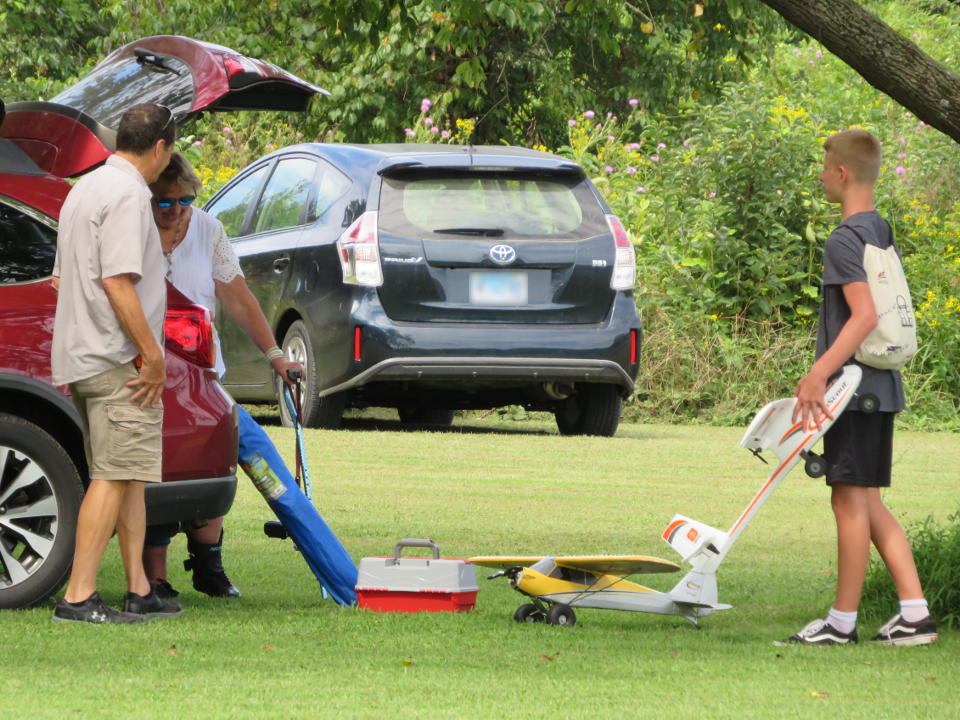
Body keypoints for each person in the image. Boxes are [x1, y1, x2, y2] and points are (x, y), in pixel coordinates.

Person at [782, 129, 937, 646]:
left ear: (842, 174)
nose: (822, 175)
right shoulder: (880, 230)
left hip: (855, 389)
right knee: (866, 503)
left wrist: (817, 373)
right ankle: (914, 614)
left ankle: (840, 623)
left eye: (826, 167)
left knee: (848, 502)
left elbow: (864, 315)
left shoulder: (843, 239)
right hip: (880, 388)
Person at [143, 152, 301, 599]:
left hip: (200, 372)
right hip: (149, 369)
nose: (176, 211)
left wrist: (275, 356)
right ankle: (155, 576)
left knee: (212, 459)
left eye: (186, 200)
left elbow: (238, 298)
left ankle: (209, 564)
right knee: (155, 470)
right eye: (165, 203)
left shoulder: (208, 229)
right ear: (147, 198)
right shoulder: (131, 229)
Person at [51, 103, 182, 623]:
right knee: (111, 475)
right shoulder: (129, 194)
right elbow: (117, 280)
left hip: (82, 354)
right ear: (159, 148)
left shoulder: (83, 188)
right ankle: (78, 596)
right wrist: (151, 355)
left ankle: (138, 588)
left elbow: (63, 280)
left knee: (127, 473)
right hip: (117, 356)